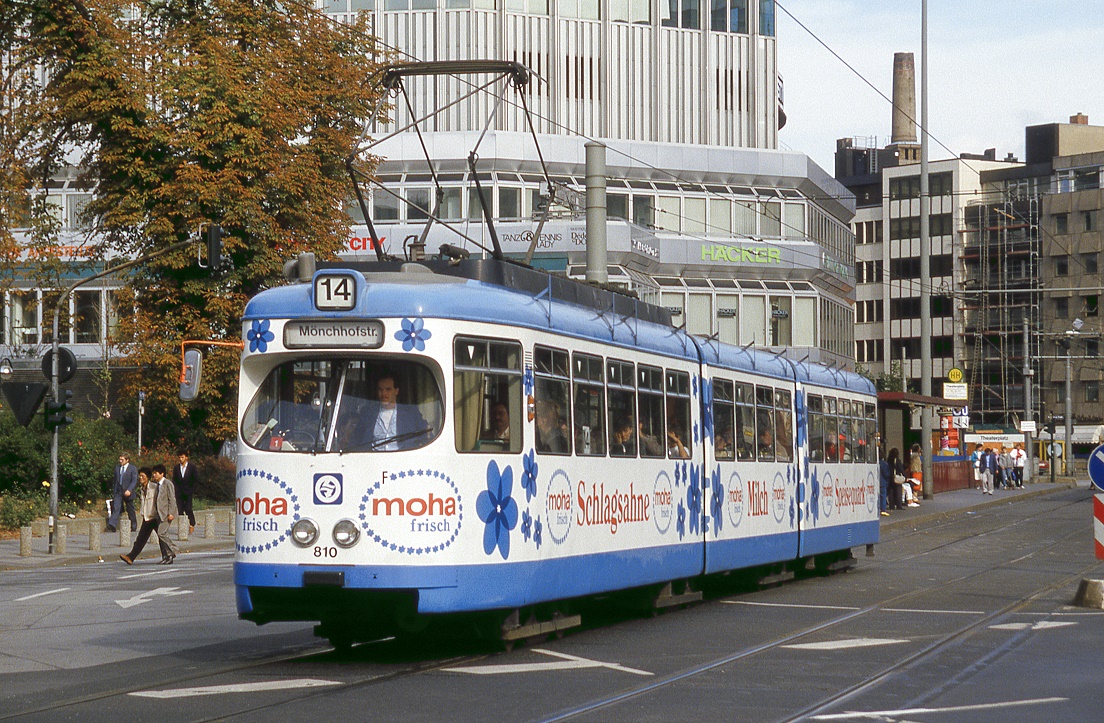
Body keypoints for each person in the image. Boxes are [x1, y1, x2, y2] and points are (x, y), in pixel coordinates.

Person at [119, 465, 177, 565]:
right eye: (140, 476)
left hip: (155, 516)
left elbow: (169, 499)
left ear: (148, 477)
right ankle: (131, 557)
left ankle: (169, 554)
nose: (140, 478)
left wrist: (170, 512)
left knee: (160, 536)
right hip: (147, 516)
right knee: (142, 538)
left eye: (142, 476)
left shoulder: (155, 487)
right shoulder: (142, 489)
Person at [361, 374, 429, 451]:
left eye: (388, 389)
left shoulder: (410, 412)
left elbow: (426, 435)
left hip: (401, 456)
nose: (383, 394)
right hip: (373, 456)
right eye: (380, 390)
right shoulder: (368, 412)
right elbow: (357, 438)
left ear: (396, 391)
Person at [106, 453, 138, 533]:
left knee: (130, 509)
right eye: (120, 459)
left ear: (127, 460)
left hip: (128, 491)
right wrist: (115, 491)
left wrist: (129, 490)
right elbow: (115, 480)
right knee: (116, 507)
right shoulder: (117, 468)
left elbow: (134, 481)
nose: (120, 461)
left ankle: (133, 525)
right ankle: (112, 524)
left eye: (122, 459)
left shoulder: (132, 469)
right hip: (119, 491)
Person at [172, 448, 197, 534]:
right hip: (179, 492)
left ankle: (192, 523)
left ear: (186, 457)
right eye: (179, 457)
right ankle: (182, 528)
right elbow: (174, 480)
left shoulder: (192, 467)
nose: (180, 459)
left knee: (188, 508)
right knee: (180, 509)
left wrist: (192, 489)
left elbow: (195, 479)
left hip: (188, 491)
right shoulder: (176, 468)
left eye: (182, 457)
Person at [878, 446, 891, 516]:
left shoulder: (875, 463)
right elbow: (886, 474)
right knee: (883, 496)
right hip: (883, 482)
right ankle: (883, 509)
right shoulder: (884, 464)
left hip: (875, 481)